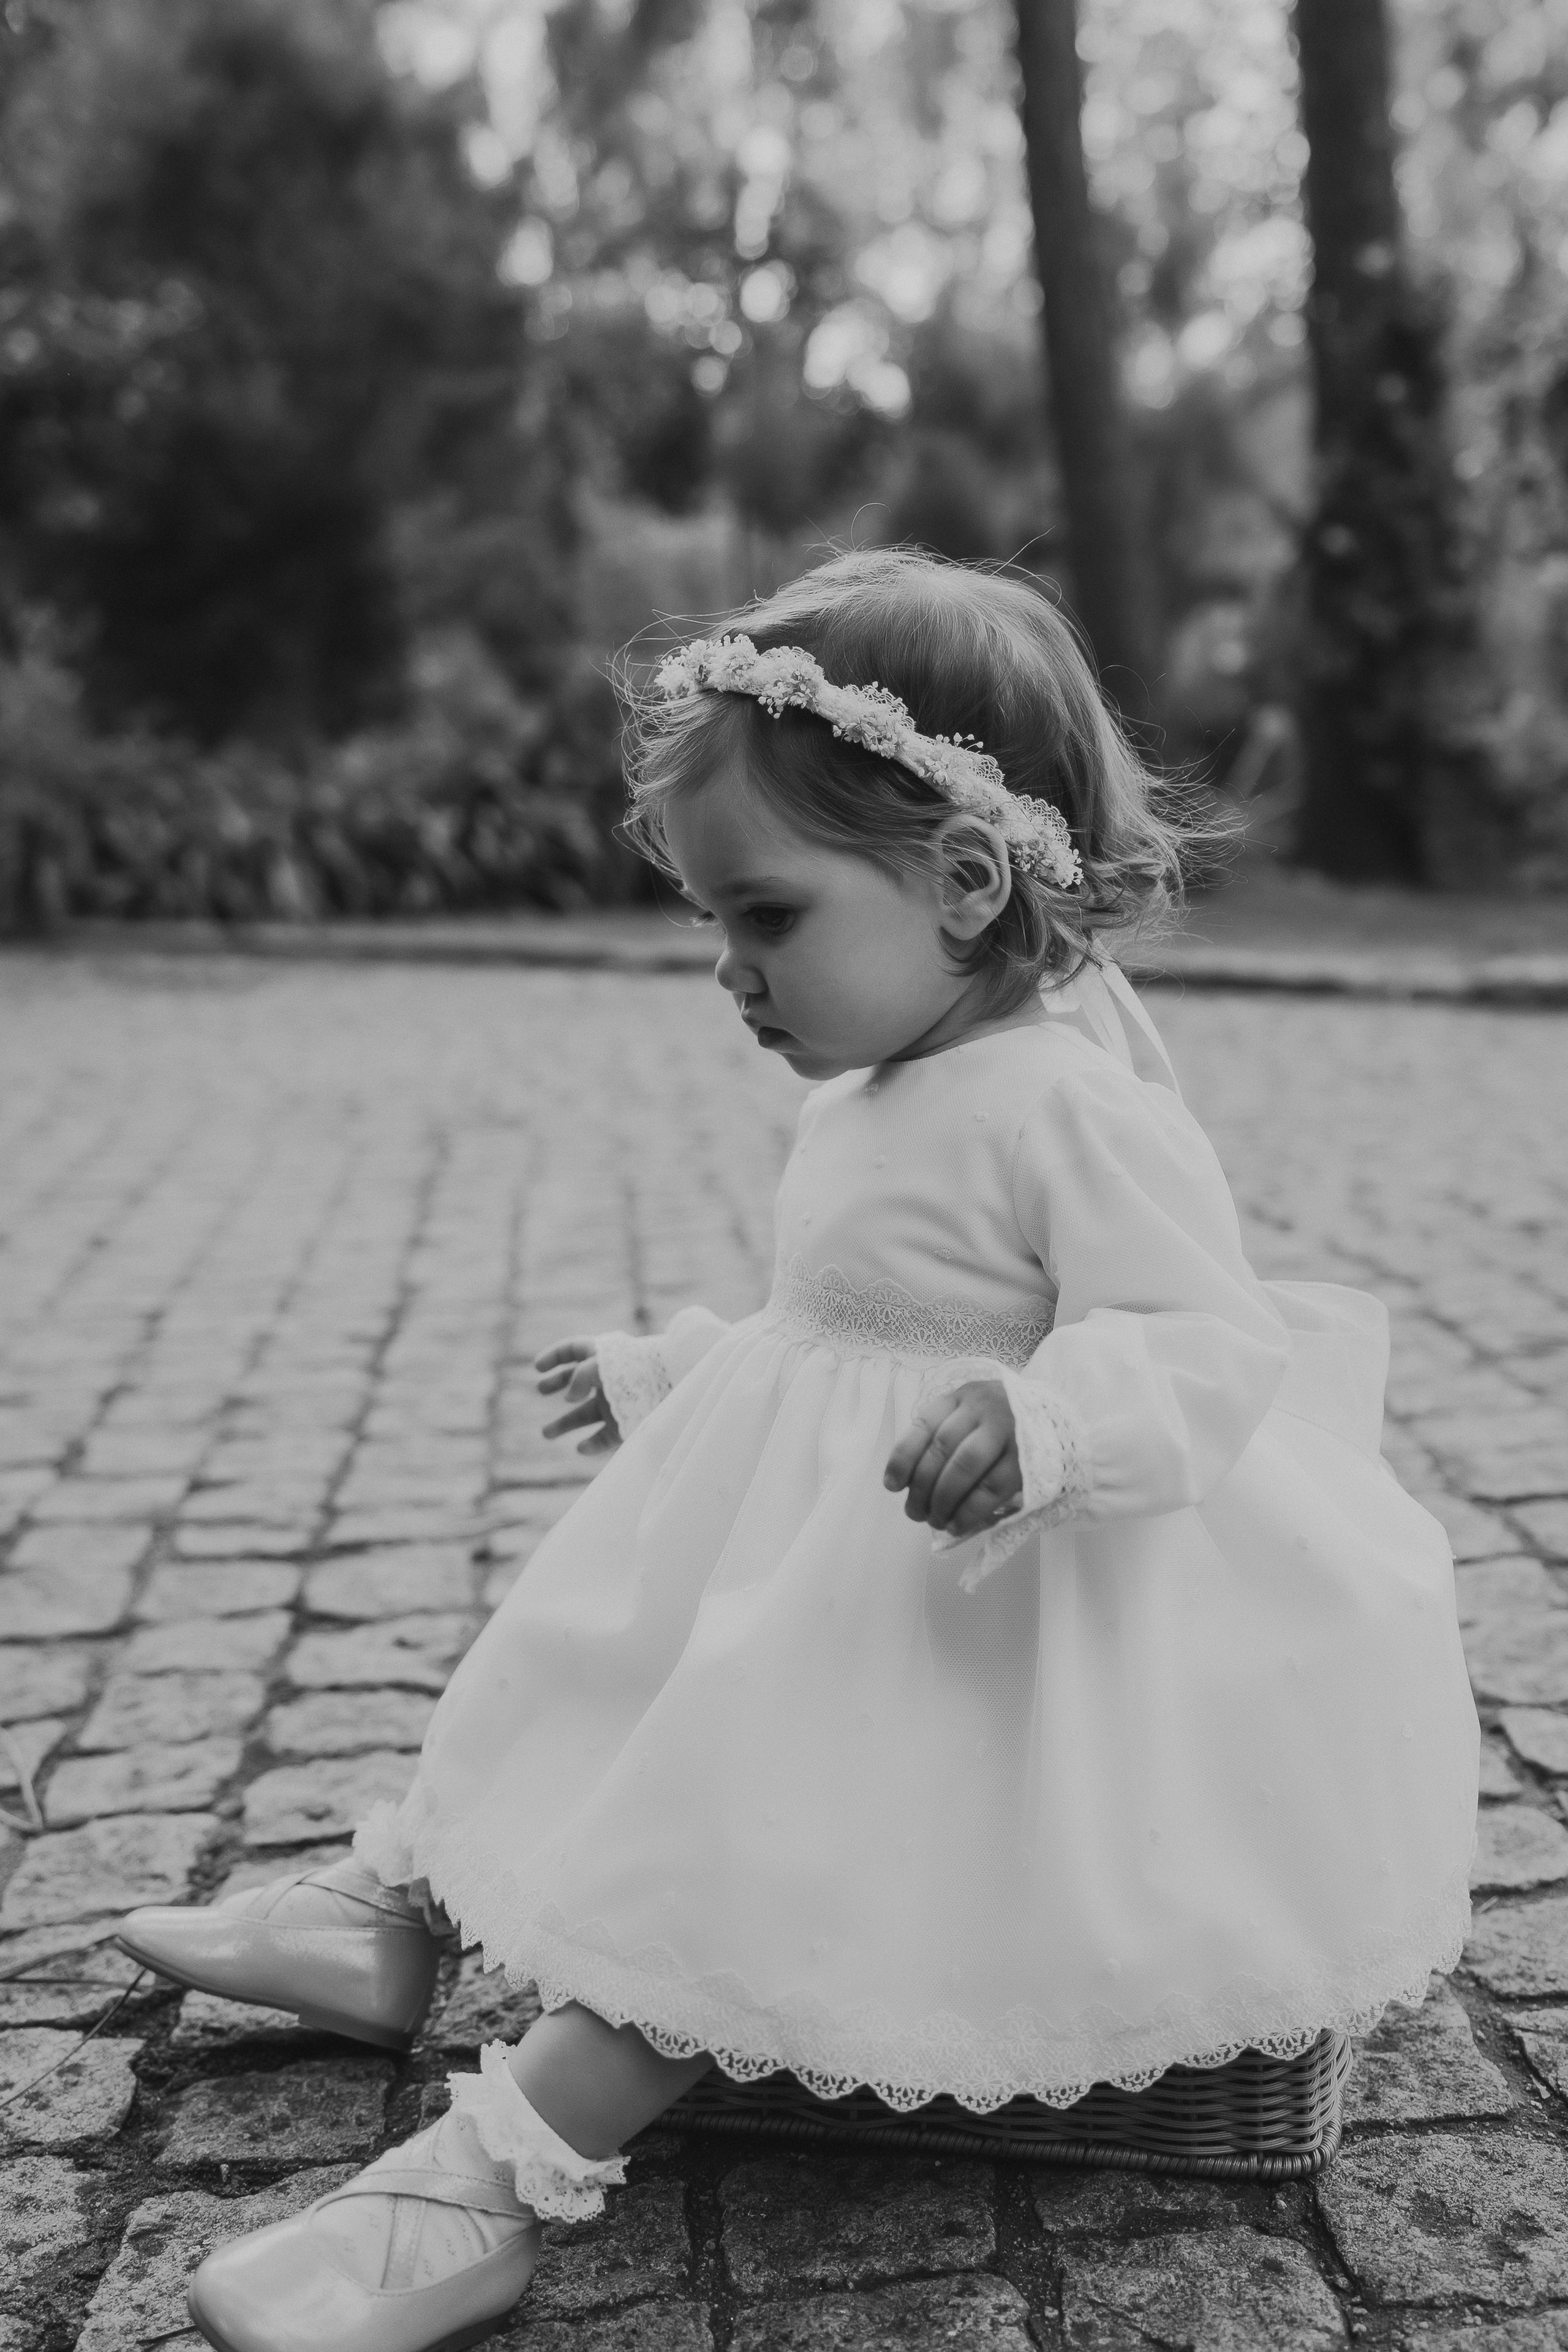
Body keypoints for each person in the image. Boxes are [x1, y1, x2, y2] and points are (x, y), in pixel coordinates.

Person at [118, 551, 1479, 2352]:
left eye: (763, 918)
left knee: (754, 1803)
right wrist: (680, 1375)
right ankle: (400, 1903)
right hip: (830, 1533)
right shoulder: (881, 1075)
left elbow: (1206, 1338)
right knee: (588, 1652)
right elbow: (844, 1333)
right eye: (707, 924)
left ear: (964, 878)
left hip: (964, 1599)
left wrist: (1047, 1415)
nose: (727, 972)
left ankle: (501, 2173)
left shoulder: (1068, 1101)